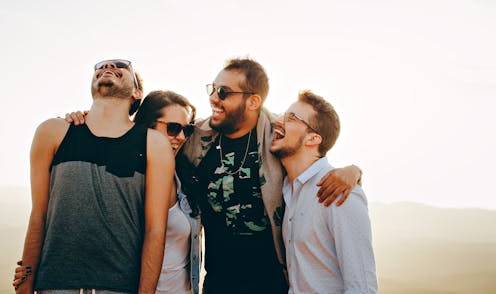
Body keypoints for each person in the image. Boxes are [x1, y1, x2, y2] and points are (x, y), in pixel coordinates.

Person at [180, 57, 362, 293]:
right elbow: (161, 144)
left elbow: (312, 155)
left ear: (253, 101)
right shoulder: (196, 138)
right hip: (216, 283)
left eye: (224, 92)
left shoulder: (276, 137)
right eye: (212, 89)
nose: (213, 98)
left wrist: (353, 171)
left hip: (273, 284)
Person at [15, 60, 175, 294]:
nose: (107, 65)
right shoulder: (53, 131)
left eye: (121, 65)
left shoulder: (154, 143)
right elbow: (39, 214)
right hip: (54, 285)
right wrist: (25, 281)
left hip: (119, 287)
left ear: (136, 92)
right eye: (99, 66)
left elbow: (155, 229)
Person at [270, 90, 377, 293]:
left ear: (312, 139)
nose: (278, 121)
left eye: (291, 118)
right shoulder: (288, 190)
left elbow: (362, 286)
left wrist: (355, 171)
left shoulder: (340, 191)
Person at [133, 90, 201, 294]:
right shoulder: (129, 178)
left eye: (187, 130)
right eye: (172, 128)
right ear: (147, 126)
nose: (181, 137)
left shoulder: (183, 177)